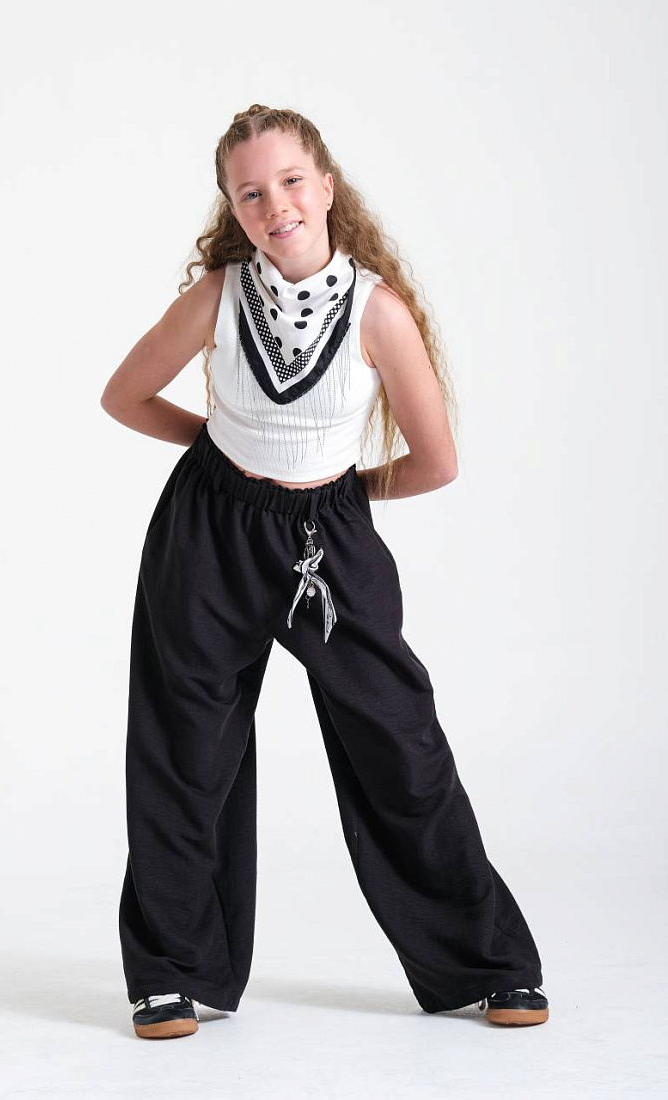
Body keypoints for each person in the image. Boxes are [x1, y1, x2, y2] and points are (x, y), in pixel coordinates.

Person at [101, 104, 549, 1041]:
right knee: (185, 754)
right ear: (232, 207)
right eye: (250, 193)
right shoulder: (217, 297)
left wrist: (334, 497)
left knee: (401, 748)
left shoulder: (378, 311)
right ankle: (171, 974)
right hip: (207, 533)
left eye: (291, 181)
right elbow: (125, 395)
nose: (276, 205)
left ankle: (487, 964)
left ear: (328, 185)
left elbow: (436, 462)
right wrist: (221, 457)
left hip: (328, 540)